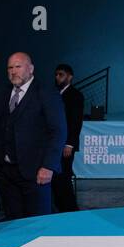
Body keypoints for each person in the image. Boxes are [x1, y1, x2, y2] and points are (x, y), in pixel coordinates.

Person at [0, 51, 66, 221]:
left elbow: (58, 131)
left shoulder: (46, 92)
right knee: (13, 223)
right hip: (5, 174)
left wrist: (48, 166)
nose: (13, 71)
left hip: (36, 173)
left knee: (37, 224)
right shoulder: (2, 93)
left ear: (30, 69)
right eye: (10, 68)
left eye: (18, 66)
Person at [51, 63, 84, 213]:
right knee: (56, 178)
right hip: (54, 143)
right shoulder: (54, 94)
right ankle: (60, 207)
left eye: (61, 74)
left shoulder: (75, 96)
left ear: (70, 77)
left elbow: (75, 122)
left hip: (65, 145)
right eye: (56, 74)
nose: (58, 77)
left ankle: (70, 209)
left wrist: (69, 144)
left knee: (63, 177)